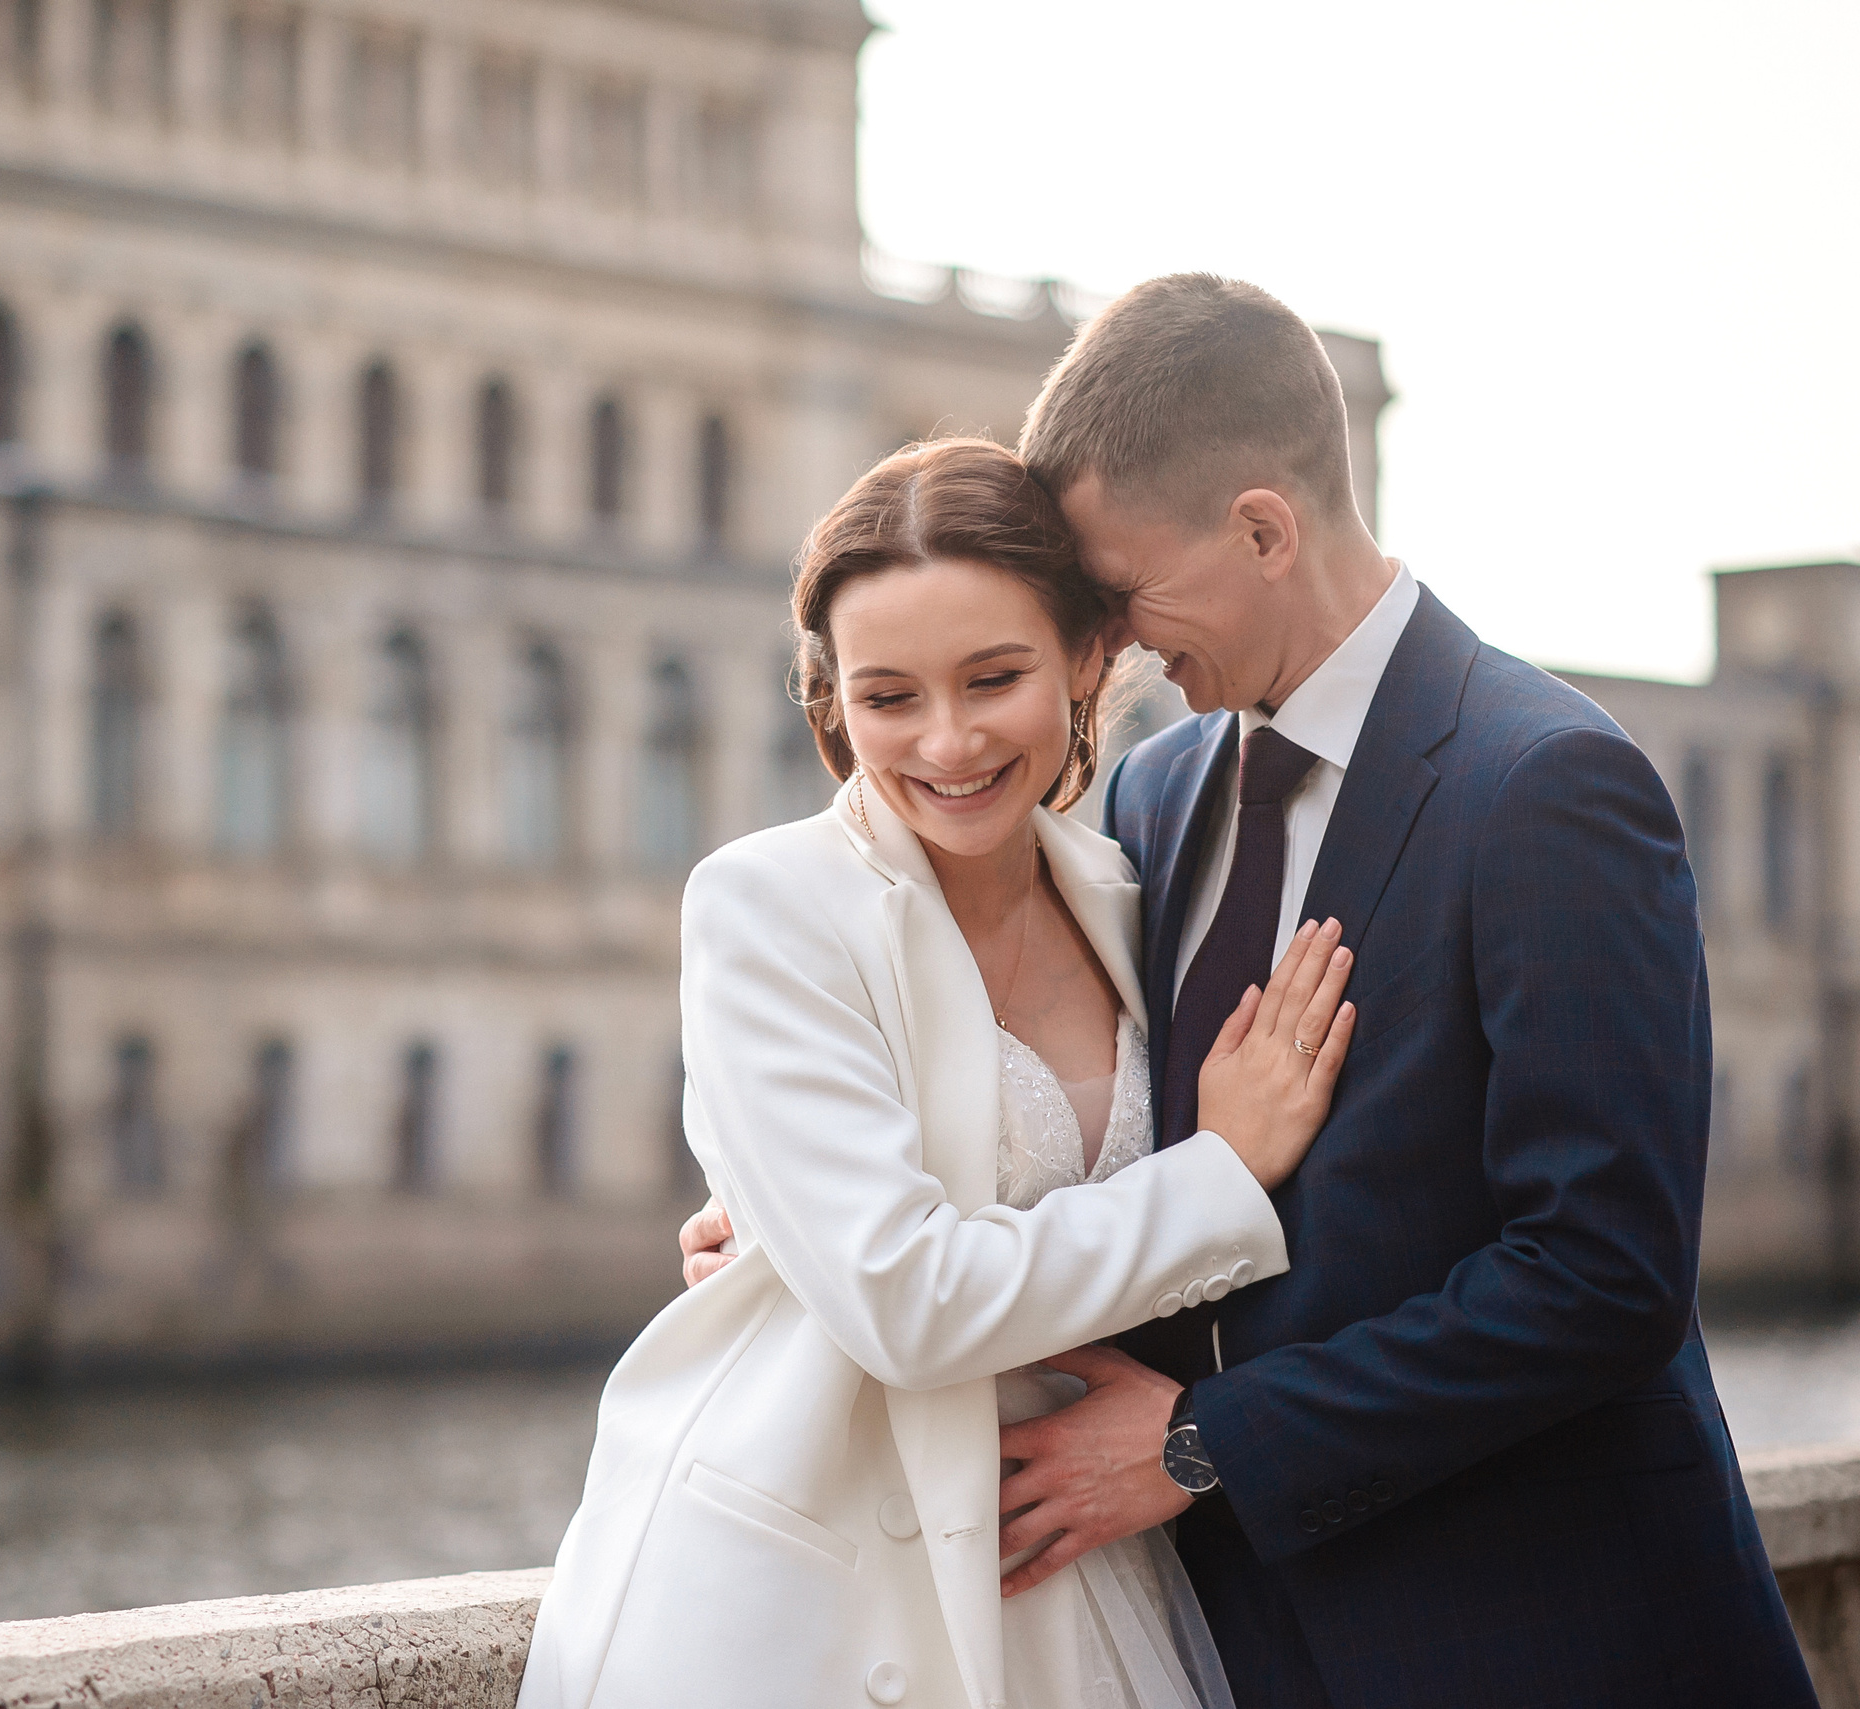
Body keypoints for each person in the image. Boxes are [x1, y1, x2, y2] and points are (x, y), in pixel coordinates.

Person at [685, 274, 1817, 1709]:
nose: (1116, 642)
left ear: (1264, 530)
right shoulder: (1155, 798)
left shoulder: (1545, 784)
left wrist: (1202, 1442)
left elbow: (1605, 1277)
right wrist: (799, 1234)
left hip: (1546, 1631)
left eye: (1120, 590)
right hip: (1244, 1644)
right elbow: (1123, 1154)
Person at [521, 436, 1356, 1709]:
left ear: (1086, 658)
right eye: (888, 695)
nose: (947, 739)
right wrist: (1221, 1170)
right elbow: (906, 1299)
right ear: (831, 700)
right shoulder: (766, 904)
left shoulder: (1131, 894)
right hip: (811, 1595)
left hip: (1067, 1557)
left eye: (993, 675)